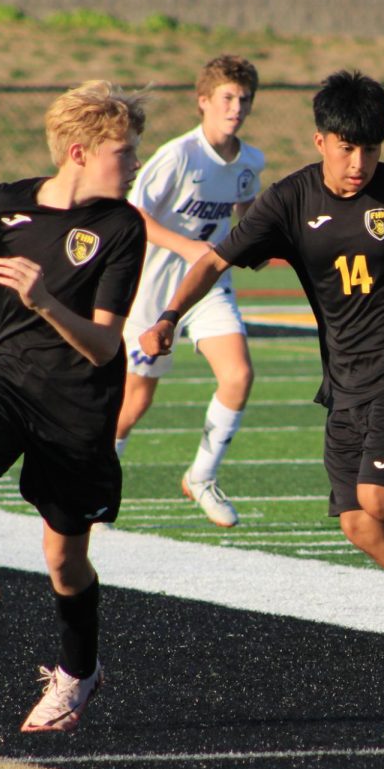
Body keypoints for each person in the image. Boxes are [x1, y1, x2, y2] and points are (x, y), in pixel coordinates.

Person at [139, 70, 384, 654]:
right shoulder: (289, 201)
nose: (359, 162)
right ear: (320, 140)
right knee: (359, 522)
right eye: (347, 147)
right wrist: (170, 315)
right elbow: (213, 259)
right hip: (344, 379)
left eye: (371, 149)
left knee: (381, 496)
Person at [0, 81, 147, 730]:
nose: (134, 164)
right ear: (78, 152)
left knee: (64, 561)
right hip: (2, 384)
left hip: (78, 408)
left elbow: (101, 345)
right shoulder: (5, 203)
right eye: (124, 153)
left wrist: (44, 302)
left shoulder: (121, 227)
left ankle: (78, 672)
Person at [116, 55, 265, 528]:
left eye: (243, 98)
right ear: (203, 102)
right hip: (154, 286)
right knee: (136, 400)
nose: (236, 106)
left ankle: (201, 476)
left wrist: (259, 242)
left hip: (208, 283)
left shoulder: (250, 161)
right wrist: (185, 245)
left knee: (238, 375)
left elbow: (246, 215)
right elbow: (132, 214)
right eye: (226, 97)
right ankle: (95, 477)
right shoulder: (178, 155)